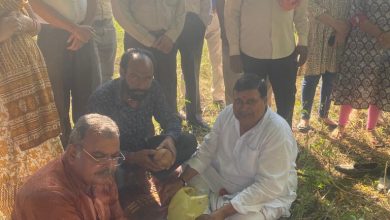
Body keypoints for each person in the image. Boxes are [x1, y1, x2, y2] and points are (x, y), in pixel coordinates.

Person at [162, 74, 298, 220]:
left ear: (265, 101)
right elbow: (207, 151)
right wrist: (181, 181)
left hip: (261, 194)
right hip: (223, 179)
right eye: (238, 101)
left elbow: (268, 186)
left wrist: (221, 213)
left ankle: (213, 209)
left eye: (251, 102)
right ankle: (210, 209)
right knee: (190, 171)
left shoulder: (277, 131)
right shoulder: (227, 114)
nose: (244, 108)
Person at [88, 48, 197, 219]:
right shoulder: (102, 98)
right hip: (116, 159)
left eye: (147, 78)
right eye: (135, 77)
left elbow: (170, 118)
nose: (142, 85)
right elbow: (95, 150)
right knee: (109, 177)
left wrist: (170, 139)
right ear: (122, 72)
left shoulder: (153, 88)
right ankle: (129, 186)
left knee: (188, 141)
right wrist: (132, 157)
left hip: (146, 151)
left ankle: (155, 175)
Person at [0, 1, 63, 217]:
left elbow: (37, 25)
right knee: (9, 154)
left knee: (39, 151)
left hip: (31, 80)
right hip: (4, 94)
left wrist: (22, 22)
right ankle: (16, 211)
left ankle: (42, 204)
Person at [12, 114, 125, 219]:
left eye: (114, 156)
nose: (110, 165)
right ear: (73, 154)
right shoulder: (50, 196)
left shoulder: (100, 173)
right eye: (99, 156)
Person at [225, 0, 309, 127]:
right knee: (252, 103)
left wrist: (303, 41)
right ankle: (253, 139)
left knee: (286, 102)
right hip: (252, 52)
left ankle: (282, 139)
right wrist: (234, 50)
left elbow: (301, 9)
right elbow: (232, 13)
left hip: (284, 51)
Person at [30, 0, 102, 146]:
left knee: (89, 98)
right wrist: (74, 29)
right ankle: (64, 156)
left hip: (84, 32)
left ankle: (89, 151)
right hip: (53, 35)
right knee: (57, 102)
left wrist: (83, 29)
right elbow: (35, 3)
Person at [331, 0, 390, 146]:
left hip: (386, 48)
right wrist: (381, 34)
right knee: (354, 83)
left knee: (379, 85)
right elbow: (355, 14)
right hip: (361, 44)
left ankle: (371, 128)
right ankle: (342, 125)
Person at [112, 0, 186, 114]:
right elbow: (121, 13)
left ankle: (170, 124)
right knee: (135, 85)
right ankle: (136, 125)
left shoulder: (168, 38)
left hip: (167, 39)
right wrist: (148, 39)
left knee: (168, 84)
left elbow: (181, 9)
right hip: (137, 38)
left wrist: (171, 35)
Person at [296, 0, 351, 132]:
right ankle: (305, 117)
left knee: (330, 79)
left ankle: (324, 114)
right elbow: (309, 4)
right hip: (316, 34)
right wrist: (335, 23)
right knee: (311, 78)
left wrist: (343, 28)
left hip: (337, 36)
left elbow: (352, 8)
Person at [177, 0, 211, 129]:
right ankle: (171, 116)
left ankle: (194, 115)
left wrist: (202, 21)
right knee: (167, 72)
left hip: (193, 20)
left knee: (192, 71)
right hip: (169, 21)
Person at [205, 0, 225, 107]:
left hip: (215, 13)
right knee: (191, 60)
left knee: (217, 59)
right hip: (196, 15)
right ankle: (188, 97)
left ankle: (218, 96)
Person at [93, 0, 117, 83]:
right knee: (93, 73)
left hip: (108, 23)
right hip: (89, 25)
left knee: (108, 73)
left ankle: (107, 94)